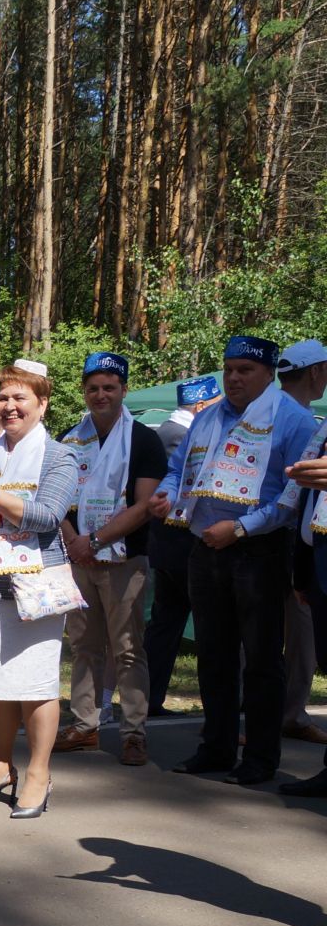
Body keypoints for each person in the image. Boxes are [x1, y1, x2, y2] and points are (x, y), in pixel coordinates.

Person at [152, 335, 316, 786]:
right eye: (228, 369)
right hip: (204, 546)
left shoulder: (294, 420)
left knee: (262, 659)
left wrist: (242, 528)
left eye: (245, 370)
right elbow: (178, 466)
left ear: (268, 375)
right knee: (213, 653)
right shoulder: (208, 418)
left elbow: (292, 496)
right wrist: (167, 494)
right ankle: (217, 747)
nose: (234, 378)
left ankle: (260, 758)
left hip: (258, 550)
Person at [0, 362, 79, 818]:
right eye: (3, 397)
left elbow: (48, 516)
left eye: (19, 398)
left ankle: (38, 774)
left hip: (36, 584)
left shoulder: (59, 456)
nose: (8, 407)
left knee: (36, 681)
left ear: (42, 404)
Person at [52, 352, 168, 766]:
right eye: (93, 388)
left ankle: (134, 731)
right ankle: (84, 724)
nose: (100, 395)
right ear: (84, 391)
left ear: (123, 390)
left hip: (123, 560)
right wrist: (75, 542)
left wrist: (95, 540)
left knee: (128, 649)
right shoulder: (69, 438)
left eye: (109, 387)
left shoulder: (143, 439)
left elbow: (145, 504)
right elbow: (57, 501)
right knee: (84, 645)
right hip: (78, 556)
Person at [142, 374, 221, 715]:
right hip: (184, 548)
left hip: (166, 549)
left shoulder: (161, 433)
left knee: (165, 626)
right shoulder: (181, 438)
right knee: (206, 627)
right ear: (201, 405)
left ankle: (150, 697)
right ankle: (218, 704)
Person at [274, 341, 327, 744]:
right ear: (314, 372)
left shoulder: (263, 411)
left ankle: (262, 715)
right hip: (291, 544)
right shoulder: (305, 422)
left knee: (257, 635)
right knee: (301, 639)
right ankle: (289, 713)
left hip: (265, 540)